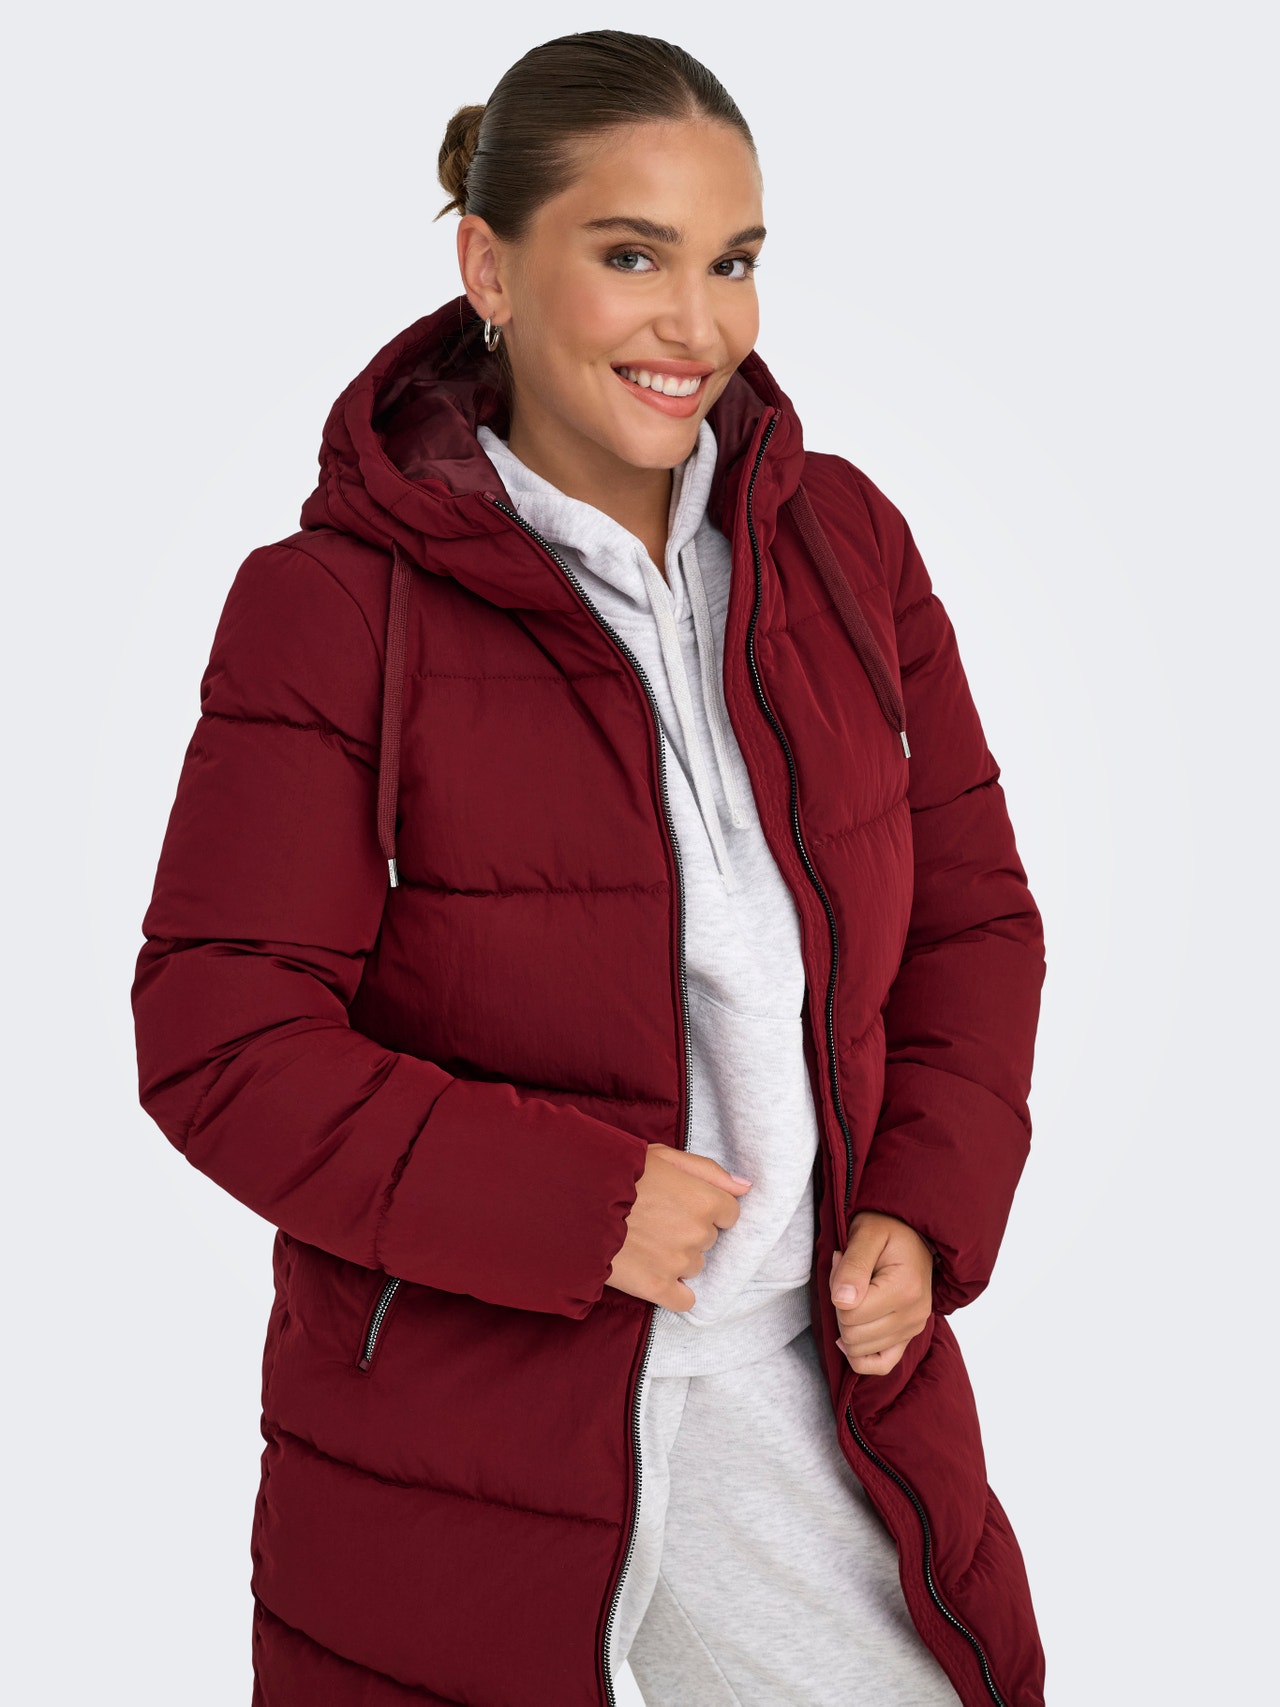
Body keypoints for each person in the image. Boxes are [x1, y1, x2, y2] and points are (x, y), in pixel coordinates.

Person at [132, 28, 1048, 1707]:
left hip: (811, 1383)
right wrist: (576, 1204)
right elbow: (220, 1039)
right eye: (632, 257)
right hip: (469, 1426)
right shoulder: (334, 607)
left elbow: (974, 916)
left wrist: (924, 1202)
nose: (696, 323)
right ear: (489, 267)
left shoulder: (844, 545)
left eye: (733, 262)